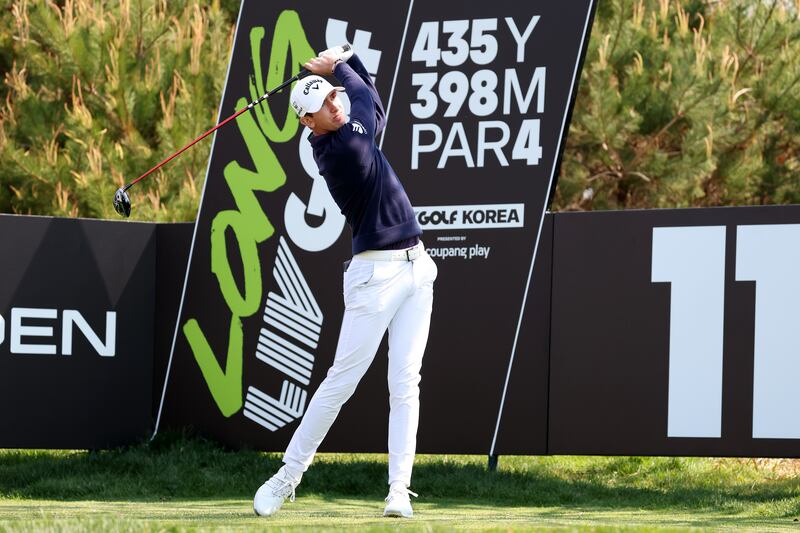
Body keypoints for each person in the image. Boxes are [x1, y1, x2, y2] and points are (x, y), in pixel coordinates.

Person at [253, 45, 438, 518]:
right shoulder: (337, 150)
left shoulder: (345, 123)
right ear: (308, 123)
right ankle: (287, 475)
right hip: (373, 277)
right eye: (322, 107)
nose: (334, 105)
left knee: (405, 383)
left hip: (417, 267)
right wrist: (338, 64)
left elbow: (368, 100)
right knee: (341, 382)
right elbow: (366, 106)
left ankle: (399, 491)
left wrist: (347, 63)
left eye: (333, 98)